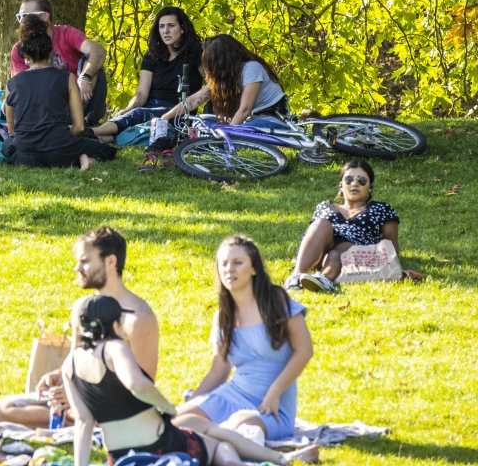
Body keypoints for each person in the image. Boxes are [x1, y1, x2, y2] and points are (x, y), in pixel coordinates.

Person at [62, 295, 318, 466]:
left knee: (196, 422)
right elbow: (136, 384)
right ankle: (273, 460)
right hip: (159, 444)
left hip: (118, 455)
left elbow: (84, 422)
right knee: (218, 443)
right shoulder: (114, 349)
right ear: (116, 321)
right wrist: (164, 406)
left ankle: (280, 459)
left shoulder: (69, 365)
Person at [0, 227, 157, 428]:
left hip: (115, 411)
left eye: (84, 261)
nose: (77, 268)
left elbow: (143, 391)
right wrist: (58, 376)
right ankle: (70, 422)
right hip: (77, 403)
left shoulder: (139, 319)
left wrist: (83, 394)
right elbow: (75, 359)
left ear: (111, 261)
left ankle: (78, 424)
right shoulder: (81, 308)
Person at [175, 236, 314, 444]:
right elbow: (219, 370)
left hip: (271, 404)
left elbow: (304, 350)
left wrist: (275, 391)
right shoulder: (223, 315)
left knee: (242, 427)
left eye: (238, 263)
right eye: (224, 264)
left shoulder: (276, 303)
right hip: (232, 394)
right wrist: (194, 402)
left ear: (254, 269)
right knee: (173, 423)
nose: (229, 269)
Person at [1, 16, 116, 170]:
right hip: (60, 150)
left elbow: (12, 130)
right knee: (105, 150)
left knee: (7, 145)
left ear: (25, 55)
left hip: (26, 156)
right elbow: (79, 127)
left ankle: (79, 152)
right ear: (50, 51)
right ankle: (84, 158)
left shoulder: (12, 84)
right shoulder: (67, 78)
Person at [285, 160, 399, 293]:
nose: (354, 183)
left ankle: (324, 279)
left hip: (356, 254)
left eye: (362, 180)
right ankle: (296, 276)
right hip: (321, 253)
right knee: (322, 223)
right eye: (349, 179)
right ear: (341, 185)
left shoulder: (382, 209)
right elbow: (312, 235)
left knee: (341, 250)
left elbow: (391, 248)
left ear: (370, 187)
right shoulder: (325, 206)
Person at [93, 7, 203, 140]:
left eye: (171, 26)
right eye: (161, 26)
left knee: (139, 114)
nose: (165, 31)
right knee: (135, 114)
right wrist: (128, 109)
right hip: (149, 107)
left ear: (182, 28)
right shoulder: (152, 55)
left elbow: (211, 85)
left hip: (178, 111)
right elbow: (141, 94)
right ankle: (96, 139)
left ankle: (91, 132)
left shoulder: (196, 52)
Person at [10, 0, 108, 126]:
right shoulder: (20, 49)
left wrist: (85, 77)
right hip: (44, 109)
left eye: (27, 15)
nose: (22, 21)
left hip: (79, 101)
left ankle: (81, 122)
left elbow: (98, 51)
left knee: (91, 61)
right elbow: (20, 88)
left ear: (45, 16)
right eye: (19, 16)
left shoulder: (66, 34)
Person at [163, 33, 286, 125]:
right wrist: (164, 118)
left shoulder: (252, 68)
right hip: (251, 121)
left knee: (236, 136)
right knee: (203, 123)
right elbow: (193, 101)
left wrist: (229, 134)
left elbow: (245, 109)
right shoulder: (226, 77)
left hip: (271, 119)